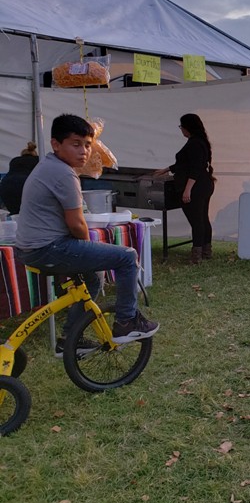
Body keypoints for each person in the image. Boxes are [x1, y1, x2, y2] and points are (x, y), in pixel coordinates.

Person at [14, 114, 159, 351]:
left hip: (32, 248)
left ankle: (71, 340)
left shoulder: (50, 165)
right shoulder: (63, 173)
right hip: (46, 249)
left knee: (94, 277)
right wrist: (88, 247)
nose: (84, 151)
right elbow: (77, 225)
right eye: (76, 144)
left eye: (88, 145)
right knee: (127, 256)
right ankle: (126, 322)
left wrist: (89, 252)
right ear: (55, 144)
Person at [154, 113, 215, 264]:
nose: (181, 130)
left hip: (196, 186)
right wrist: (166, 169)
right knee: (202, 218)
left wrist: (187, 190)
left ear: (188, 127)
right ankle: (206, 250)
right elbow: (185, 163)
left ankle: (196, 255)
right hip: (205, 184)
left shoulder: (194, 143)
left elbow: (195, 168)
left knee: (197, 220)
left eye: (181, 126)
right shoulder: (200, 141)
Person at [0, 142, 39, 215]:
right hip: (25, 186)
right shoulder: (38, 160)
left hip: (6, 186)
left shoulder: (14, 161)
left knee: (15, 212)